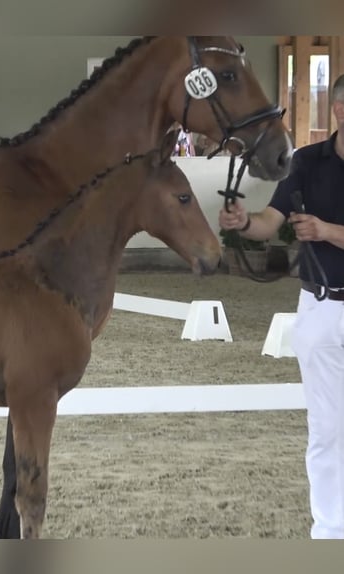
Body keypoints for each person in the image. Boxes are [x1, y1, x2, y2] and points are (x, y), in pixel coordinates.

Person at [218, 73, 344, 539]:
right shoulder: (308, 163)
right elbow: (271, 221)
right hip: (321, 307)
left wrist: (327, 231)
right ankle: (330, 534)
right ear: (338, 111)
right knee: (326, 431)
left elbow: (320, 231)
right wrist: (243, 221)